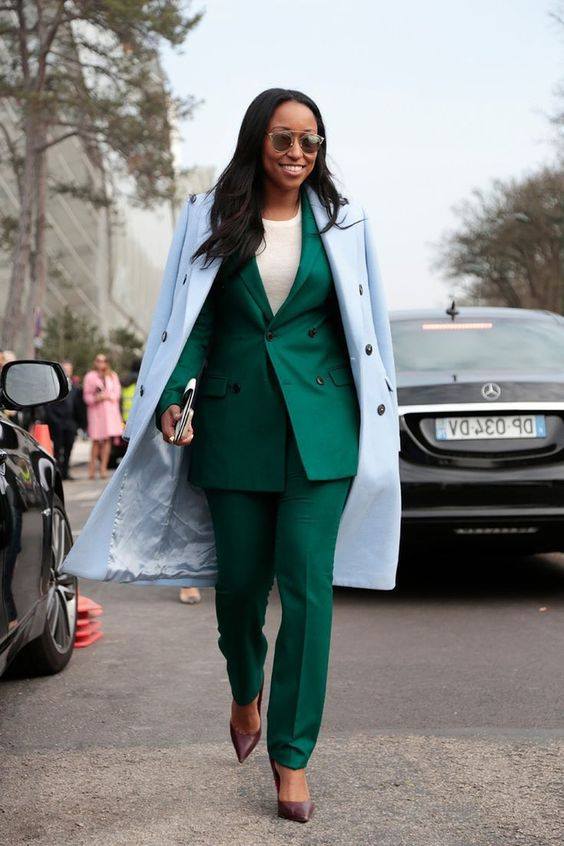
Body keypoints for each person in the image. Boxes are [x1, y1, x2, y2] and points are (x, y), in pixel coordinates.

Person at [60, 88, 402, 824]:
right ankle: (246, 691)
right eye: (284, 138)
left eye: (310, 140)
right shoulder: (212, 217)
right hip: (232, 425)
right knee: (241, 590)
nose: (297, 152)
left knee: (307, 594)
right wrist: (175, 395)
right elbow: (193, 323)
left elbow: (363, 327)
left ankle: (293, 756)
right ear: (257, 140)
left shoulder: (343, 223)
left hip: (321, 431)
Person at [82, 354, 124, 479]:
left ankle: (103, 468)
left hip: (110, 413)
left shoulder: (112, 375)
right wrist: (96, 398)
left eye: (104, 360)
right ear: (95, 362)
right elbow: (86, 396)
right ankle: (91, 469)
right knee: (95, 440)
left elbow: (117, 394)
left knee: (107, 440)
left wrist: (107, 396)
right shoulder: (90, 376)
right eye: (99, 360)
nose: (101, 363)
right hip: (96, 412)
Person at [44, 360, 84, 480]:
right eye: (65, 369)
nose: (67, 371)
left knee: (69, 447)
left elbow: (78, 406)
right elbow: (48, 406)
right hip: (57, 422)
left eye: (69, 369)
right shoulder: (53, 386)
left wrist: (79, 423)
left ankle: (65, 472)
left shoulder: (75, 388)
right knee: (57, 448)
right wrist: (53, 420)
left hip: (70, 423)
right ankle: (58, 473)